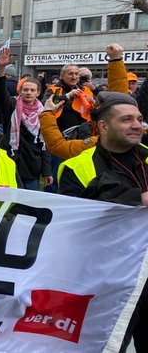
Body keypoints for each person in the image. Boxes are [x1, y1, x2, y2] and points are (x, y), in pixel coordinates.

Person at [56, 92, 147, 351]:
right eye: (127, 119)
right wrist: (136, 198)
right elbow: (76, 221)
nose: (136, 125)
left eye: (139, 119)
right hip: (108, 279)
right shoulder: (77, 167)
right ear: (104, 126)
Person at [0, 48, 52, 191]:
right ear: (20, 91)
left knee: (29, 203)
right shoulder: (12, 106)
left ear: (38, 93)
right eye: (25, 90)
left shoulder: (43, 112)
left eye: (32, 90)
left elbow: (45, 144)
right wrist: (2, 68)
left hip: (32, 164)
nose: (28, 92)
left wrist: (47, 171)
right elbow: (1, 93)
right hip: (12, 159)